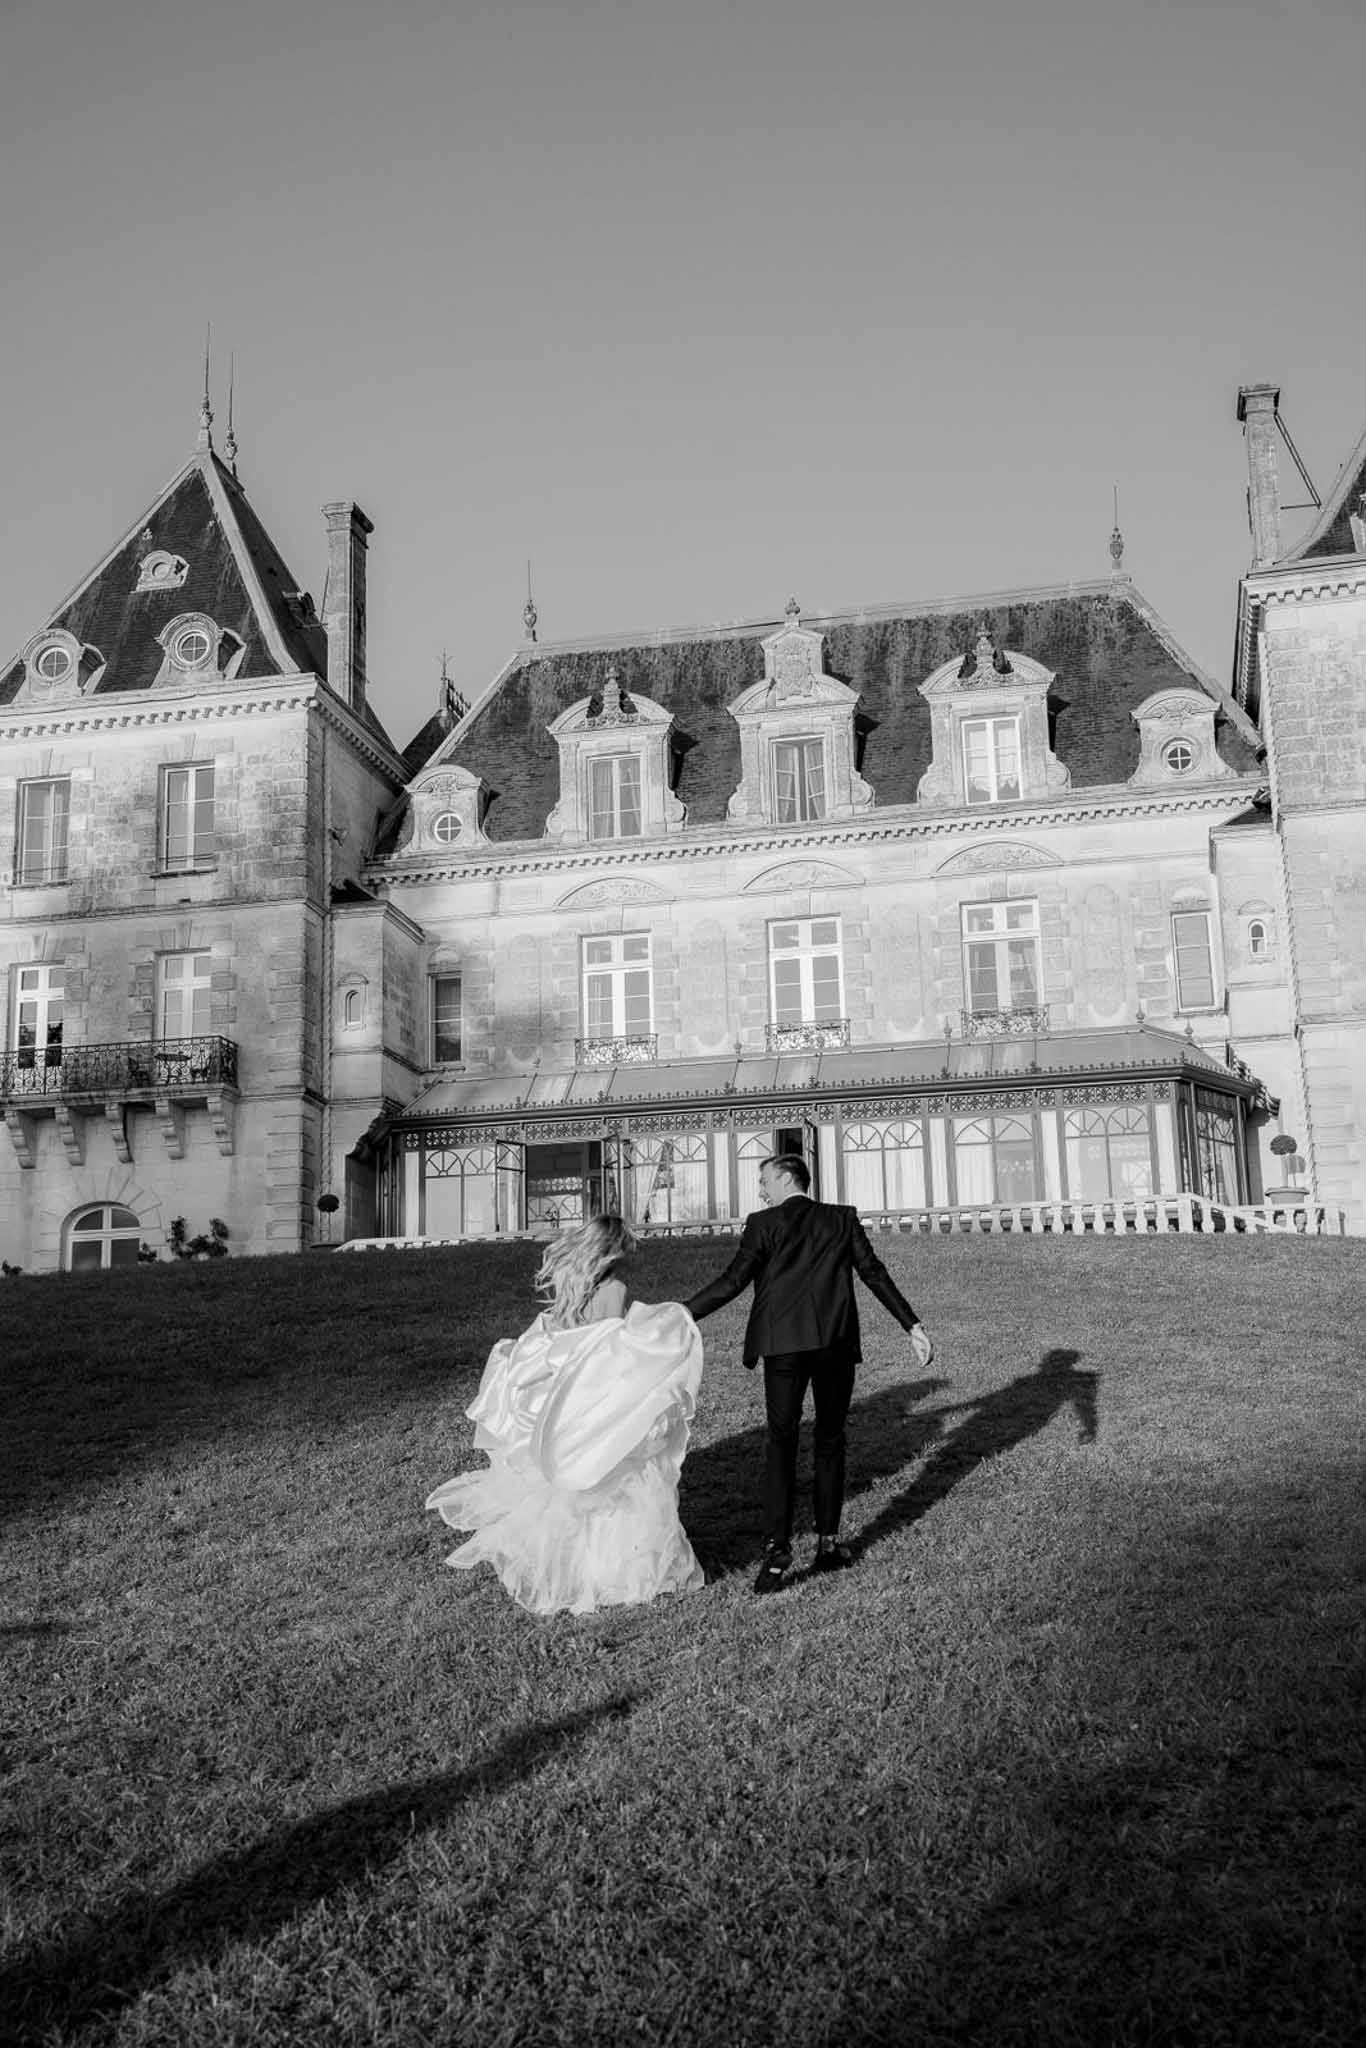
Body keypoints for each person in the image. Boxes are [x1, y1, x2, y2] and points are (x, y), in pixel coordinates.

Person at [426, 1215, 705, 1616]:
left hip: (563, 1386)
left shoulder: (569, 1284)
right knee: (614, 1478)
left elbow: (567, 1335)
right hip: (593, 1389)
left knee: (572, 1488)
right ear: (611, 1249)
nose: (631, 1255)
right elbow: (607, 1348)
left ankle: (574, 1571)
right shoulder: (615, 1288)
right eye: (626, 1247)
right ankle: (620, 1575)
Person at [684, 1154, 934, 1594]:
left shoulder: (762, 1224)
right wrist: (911, 1324)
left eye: (764, 1181)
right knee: (830, 1441)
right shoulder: (841, 1219)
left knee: (781, 1443)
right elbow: (873, 1274)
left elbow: (732, 1281)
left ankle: (777, 1553)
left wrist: (680, 1314)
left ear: (785, 1178)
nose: (761, 1190)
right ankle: (828, 1543)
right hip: (834, 1344)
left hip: (782, 1348)